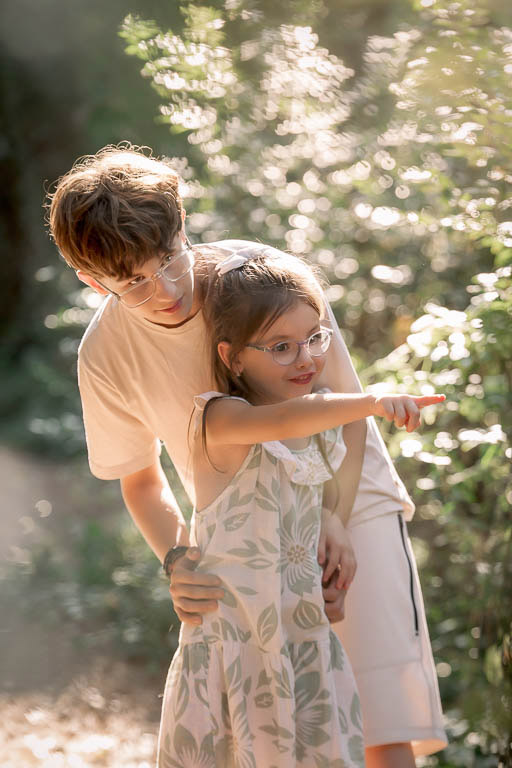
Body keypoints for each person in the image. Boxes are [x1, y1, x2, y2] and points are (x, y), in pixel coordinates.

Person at [47, 144, 448, 766]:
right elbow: (141, 481)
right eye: (134, 282)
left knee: (378, 723)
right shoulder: (105, 355)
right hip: (251, 541)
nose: (167, 290)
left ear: (183, 226)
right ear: (92, 281)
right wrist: (178, 557)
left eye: (171, 259)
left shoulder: (263, 277)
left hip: (351, 499)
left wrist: (334, 518)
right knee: (284, 735)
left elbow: (347, 404)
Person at [156, 246, 444, 767]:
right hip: (236, 654)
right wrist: (374, 400)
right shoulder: (221, 419)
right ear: (233, 357)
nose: (308, 358)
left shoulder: (316, 438)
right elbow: (295, 418)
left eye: (315, 339)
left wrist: (331, 530)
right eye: (282, 347)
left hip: (301, 647)